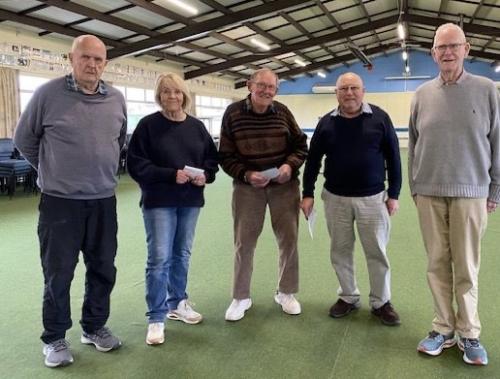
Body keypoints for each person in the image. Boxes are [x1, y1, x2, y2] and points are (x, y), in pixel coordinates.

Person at [14, 35, 126, 368]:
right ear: (71, 58)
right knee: (58, 274)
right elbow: (25, 140)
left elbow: (118, 141)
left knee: (103, 269)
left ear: (105, 63)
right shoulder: (47, 94)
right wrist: (54, 171)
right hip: (59, 203)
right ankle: (55, 338)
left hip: (104, 200)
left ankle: (94, 327)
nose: (92, 65)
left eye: (99, 60)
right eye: (86, 58)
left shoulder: (117, 98)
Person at [409, 23, 499, 366]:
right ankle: (443, 329)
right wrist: (415, 187)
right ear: (433, 53)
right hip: (429, 192)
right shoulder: (421, 94)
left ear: (467, 48)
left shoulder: (487, 89)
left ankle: (470, 333)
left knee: (466, 266)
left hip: (471, 193)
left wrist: (495, 188)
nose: (447, 52)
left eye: (453, 46)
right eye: (440, 47)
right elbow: (414, 145)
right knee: (436, 264)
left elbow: (498, 143)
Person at [300, 72, 402, 326]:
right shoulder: (326, 123)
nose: (349, 92)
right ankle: (348, 296)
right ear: (336, 93)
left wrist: (394, 194)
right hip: (335, 199)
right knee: (340, 251)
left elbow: (394, 158)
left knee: (376, 252)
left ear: (363, 91)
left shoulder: (380, 118)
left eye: (353, 87)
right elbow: (312, 161)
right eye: (343, 88)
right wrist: (308, 193)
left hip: (373, 199)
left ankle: (381, 302)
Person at [127, 73, 218, 345]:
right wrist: (170, 175)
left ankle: (177, 302)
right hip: (159, 202)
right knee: (159, 259)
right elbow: (136, 165)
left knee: (182, 254)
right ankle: (156, 318)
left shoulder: (197, 127)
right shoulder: (147, 126)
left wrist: (206, 175)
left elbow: (211, 159)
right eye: (166, 92)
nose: (172, 97)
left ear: (184, 95)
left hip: (190, 201)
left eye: (176, 92)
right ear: (159, 96)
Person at [219, 68, 308, 321]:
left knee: (288, 240)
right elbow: (225, 155)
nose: (267, 91)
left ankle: (286, 292)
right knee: (244, 243)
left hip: (284, 187)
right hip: (248, 189)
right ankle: (241, 297)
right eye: (262, 85)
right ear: (249, 85)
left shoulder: (282, 112)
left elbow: (301, 145)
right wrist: (246, 174)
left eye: (272, 87)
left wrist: (289, 166)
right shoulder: (233, 113)